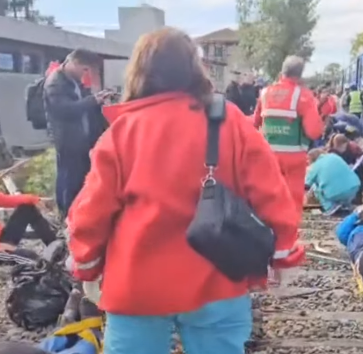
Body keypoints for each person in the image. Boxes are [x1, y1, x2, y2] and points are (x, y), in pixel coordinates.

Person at [66, 28, 302, 354]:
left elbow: (91, 213)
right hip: (218, 277)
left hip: (137, 285)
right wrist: (283, 253)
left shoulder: (122, 132)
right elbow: (270, 191)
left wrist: (87, 266)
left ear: (139, 71)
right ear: (195, 68)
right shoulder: (229, 120)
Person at [253, 56, 324, 220]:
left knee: (268, 199)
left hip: (267, 156)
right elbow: (314, 131)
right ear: (299, 75)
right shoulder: (303, 95)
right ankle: (288, 239)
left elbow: (255, 122)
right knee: (291, 203)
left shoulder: (265, 93)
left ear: (282, 71)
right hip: (294, 158)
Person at [44, 49, 112, 218]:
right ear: (73, 62)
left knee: (81, 180)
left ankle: (78, 215)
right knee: (69, 180)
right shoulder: (55, 82)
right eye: (84, 69)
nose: (85, 74)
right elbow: (65, 110)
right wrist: (92, 100)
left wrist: (99, 100)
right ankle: (66, 216)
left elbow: (85, 105)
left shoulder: (75, 81)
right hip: (68, 141)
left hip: (83, 141)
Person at [305, 148, 361, 215]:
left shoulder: (315, 166)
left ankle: (330, 208)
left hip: (336, 193)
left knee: (315, 186)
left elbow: (306, 184)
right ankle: (345, 205)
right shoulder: (334, 156)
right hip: (354, 187)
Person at [326, 134, 363, 204]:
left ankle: (358, 198)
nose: (340, 149)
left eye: (341, 147)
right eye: (338, 147)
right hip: (341, 167)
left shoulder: (353, 147)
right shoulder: (331, 149)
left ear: (346, 143)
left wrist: (354, 166)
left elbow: (362, 156)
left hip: (354, 166)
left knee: (360, 178)